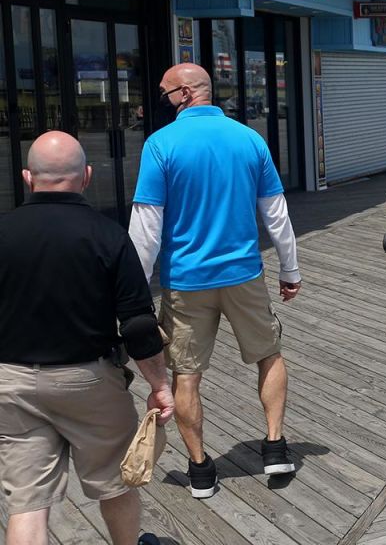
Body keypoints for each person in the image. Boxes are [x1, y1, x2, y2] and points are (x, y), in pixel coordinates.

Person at [128, 63, 302, 499]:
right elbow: (276, 213)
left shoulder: (160, 144)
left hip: (186, 281)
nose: (162, 99)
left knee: (186, 374)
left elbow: (146, 227)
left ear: (186, 93)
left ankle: (201, 469)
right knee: (269, 355)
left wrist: (132, 290)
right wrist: (290, 270)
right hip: (244, 274)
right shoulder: (249, 139)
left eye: (166, 92)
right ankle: (276, 446)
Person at [0, 132, 174, 545]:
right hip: (90, 381)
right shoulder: (108, 235)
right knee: (115, 483)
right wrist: (160, 385)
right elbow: (137, 325)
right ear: (87, 176)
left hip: (11, 382)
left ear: (28, 178)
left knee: (27, 503)